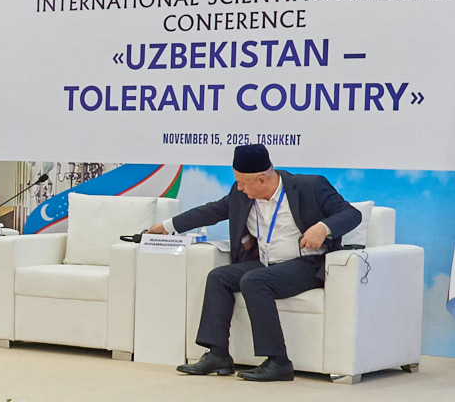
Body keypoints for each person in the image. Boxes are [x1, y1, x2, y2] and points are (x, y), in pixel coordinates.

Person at [155, 143, 361, 382]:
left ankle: (279, 362)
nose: (238, 187)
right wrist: (167, 226)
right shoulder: (241, 196)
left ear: (262, 180)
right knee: (219, 276)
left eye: (242, 183)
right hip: (265, 263)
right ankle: (218, 354)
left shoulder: (310, 186)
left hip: (306, 264)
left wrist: (323, 228)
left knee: (254, 281)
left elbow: (351, 214)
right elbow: (210, 212)